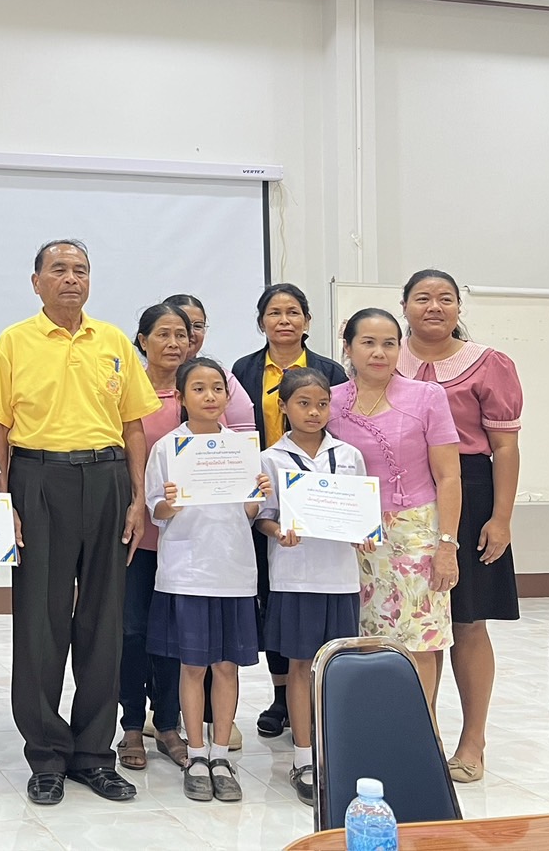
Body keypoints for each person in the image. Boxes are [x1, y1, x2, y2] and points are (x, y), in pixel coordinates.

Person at [0, 239, 158, 806]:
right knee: (41, 619)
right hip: (38, 479)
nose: (71, 279)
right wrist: (4, 502)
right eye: (59, 270)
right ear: (37, 282)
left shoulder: (113, 341)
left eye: (80, 270)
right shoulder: (14, 341)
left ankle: (94, 754)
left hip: (107, 479)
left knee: (105, 619)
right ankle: (47, 754)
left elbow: (133, 426)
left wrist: (137, 498)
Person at [398, 268, 523, 784]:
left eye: (445, 298)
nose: (434, 307)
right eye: (422, 298)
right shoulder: (383, 358)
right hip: (401, 495)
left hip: (469, 494)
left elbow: (505, 448)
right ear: (404, 306)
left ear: (458, 308)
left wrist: (501, 517)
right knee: (412, 627)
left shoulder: (489, 364)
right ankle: (420, 737)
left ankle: (473, 742)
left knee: (468, 622)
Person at [146, 357, 270, 804]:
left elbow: (249, 513)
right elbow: (155, 509)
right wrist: (171, 503)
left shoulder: (244, 449)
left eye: (217, 388)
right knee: (193, 666)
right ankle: (195, 755)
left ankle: (221, 755)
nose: (210, 396)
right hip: (187, 573)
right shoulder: (168, 448)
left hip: (233, 572)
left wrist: (258, 496)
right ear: (181, 397)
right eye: (198, 389)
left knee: (226, 666)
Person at [230, 283, 349, 739]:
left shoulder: (328, 370)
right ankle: (282, 696)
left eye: (293, 311)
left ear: (307, 320)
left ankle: (313, 704)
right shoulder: (244, 369)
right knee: (271, 593)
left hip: (321, 499)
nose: (284, 320)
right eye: (275, 312)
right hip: (265, 489)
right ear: (261, 321)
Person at [330, 308, 462, 703]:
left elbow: (449, 477)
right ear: (348, 347)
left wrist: (447, 545)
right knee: (365, 638)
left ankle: (420, 728)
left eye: (389, 344)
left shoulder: (427, 396)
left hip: (416, 533)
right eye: (368, 343)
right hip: (353, 537)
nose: (379, 352)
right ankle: (375, 725)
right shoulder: (330, 401)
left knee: (419, 638)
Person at [255, 367, 369, 806]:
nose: (314, 412)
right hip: (295, 577)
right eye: (303, 403)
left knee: (339, 666)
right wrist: (278, 531)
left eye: (322, 404)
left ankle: (334, 751)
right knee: (300, 666)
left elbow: (362, 511)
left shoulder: (349, 455)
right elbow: (262, 517)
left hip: (340, 578)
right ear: (284, 407)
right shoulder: (272, 459)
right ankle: (303, 757)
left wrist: (364, 532)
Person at [119, 302, 194, 772]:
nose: (173, 343)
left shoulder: (200, 389)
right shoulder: (124, 391)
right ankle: (130, 725)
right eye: (163, 334)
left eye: (181, 334)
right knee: (131, 631)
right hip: (133, 531)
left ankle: (167, 724)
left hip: (184, 537)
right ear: (142, 340)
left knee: (173, 633)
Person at [163, 293, 255, 431]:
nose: (191, 333)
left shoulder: (223, 379)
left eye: (198, 326)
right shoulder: (139, 380)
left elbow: (244, 437)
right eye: (183, 326)